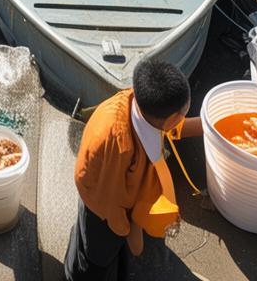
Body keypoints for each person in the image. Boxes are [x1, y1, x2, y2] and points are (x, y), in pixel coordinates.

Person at [66, 57, 203, 280]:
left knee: (118, 256)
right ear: (166, 120)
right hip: (103, 211)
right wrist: (131, 231)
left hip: (126, 202)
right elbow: (109, 201)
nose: (183, 118)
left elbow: (173, 128)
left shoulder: (140, 104)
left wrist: (208, 125)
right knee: (95, 259)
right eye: (183, 113)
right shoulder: (119, 146)